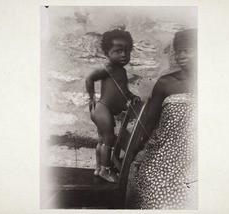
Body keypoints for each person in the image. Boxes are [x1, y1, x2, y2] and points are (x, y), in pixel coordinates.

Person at [134, 29, 198, 209]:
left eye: (187, 50)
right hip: (164, 158)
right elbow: (148, 123)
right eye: (178, 51)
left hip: (196, 158)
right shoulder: (166, 83)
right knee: (158, 196)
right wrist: (132, 153)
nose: (181, 56)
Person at [85, 29, 140, 183]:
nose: (124, 55)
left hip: (103, 110)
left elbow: (123, 90)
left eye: (127, 51)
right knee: (109, 139)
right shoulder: (109, 68)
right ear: (107, 52)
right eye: (118, 51)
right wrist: (91, 97)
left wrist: (131, 96)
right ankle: (105, 170)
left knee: (102, 140)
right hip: (102, 109)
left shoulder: (121, 70)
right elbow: (89, 78)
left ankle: (98, 167)